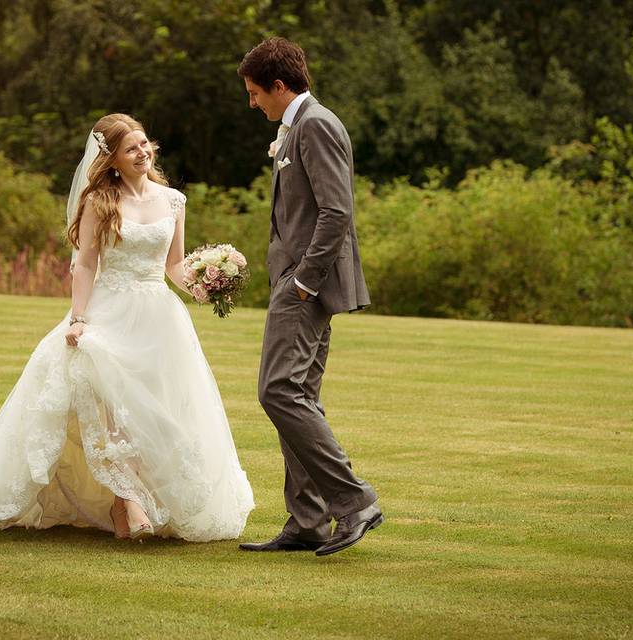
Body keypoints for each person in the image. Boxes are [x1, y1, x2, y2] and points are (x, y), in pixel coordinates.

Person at [0, 113, 254, 542]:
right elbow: (84, 264)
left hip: (159, 316)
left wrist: (204, 285)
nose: (143, 152)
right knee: (116, 403)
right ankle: (131, 501)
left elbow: (173, 265)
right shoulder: (100, 201)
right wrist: (79, 318)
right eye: (131, 148)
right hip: (109, 310)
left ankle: (123, 506)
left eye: (145, 144)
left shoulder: (173, 200)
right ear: (112, 159)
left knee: (154, 406)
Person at [236, 38, 382, 556]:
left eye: (256, 93)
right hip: (295, 280)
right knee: (299, 394)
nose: (253, 103)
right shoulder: (294, 127)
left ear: (280, 86)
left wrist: (303, 281)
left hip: (305, 284)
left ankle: (354, 500)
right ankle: (308, 521)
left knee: (278, 391)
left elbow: (336, 212)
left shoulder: (316, 124)